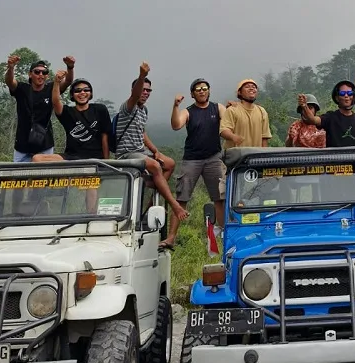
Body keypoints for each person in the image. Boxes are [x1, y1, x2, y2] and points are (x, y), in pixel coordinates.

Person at [116, 62, 188, 222]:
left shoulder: (144, 110)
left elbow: (142, 133)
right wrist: (142, 76)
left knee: (169, 163)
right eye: (143, 89)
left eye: (149, 90)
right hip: (126, 154)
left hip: (141, 151)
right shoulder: (129, 107)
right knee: (155, 166)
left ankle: (149, 205)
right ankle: (174, 205)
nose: (146, 92)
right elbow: (135, 95)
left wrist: (155, 150)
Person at [162, 78, 226, 248]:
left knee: (220, 197)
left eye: (204, 88)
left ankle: (225, 235)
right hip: (192, 159)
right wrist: (176, 106)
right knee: (182, 198)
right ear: (192, 94)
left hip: (214, 158)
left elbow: (229, 123)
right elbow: (176, 125)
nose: (202, 91)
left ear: (209, 91)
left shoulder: (218, 108)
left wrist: (234, 106)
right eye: (197, 89)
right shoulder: (188, 111)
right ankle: (171, 237)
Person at [5, 55, 75, 162]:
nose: (41, 75)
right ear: (30, 74)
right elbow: (10, 82)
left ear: (47, 76)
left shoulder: (52, 88)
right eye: (37, 72)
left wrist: (70, 67)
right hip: (22, 146)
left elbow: (68, 82)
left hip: (44, 145)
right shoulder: (22, 89)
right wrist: (11, 68)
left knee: (45, 177)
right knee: (19, 177)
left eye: (44, 72)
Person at [34, 73, 111, 161]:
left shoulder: (100, 109)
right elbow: (55, 102)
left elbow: (105, 137)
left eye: (86, 90)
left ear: (91, 93)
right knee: (37, 159)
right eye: (77, 90)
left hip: (95, 157)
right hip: (72, 156)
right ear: (72, 95)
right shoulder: (67, 112)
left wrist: (106, 161)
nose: (82, 93)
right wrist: (56, 82)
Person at [297, 81, 355, 148]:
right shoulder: (330, 117)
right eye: (342, 93)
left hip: (353, 161)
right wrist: (304, 106)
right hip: (333, 162)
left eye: (350, 93)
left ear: (353, 97)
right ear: (337, 98)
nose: (346, 96)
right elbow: (312, 120)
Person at [219, 79, 272, 148]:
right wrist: (233, 137)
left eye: (254, 87)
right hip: (235, 156)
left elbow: (264, 137)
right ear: (239, 92)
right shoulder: (232, 109)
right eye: (247, 86)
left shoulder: (262, 111)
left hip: (255, 156)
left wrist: (264, 155)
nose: (251, 88)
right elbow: (223, 130)